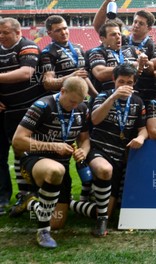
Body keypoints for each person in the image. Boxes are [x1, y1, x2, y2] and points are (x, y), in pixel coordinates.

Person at [11, 77, 90, 248]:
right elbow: (17, 141)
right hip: (35, 160)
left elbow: (85, 140)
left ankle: (29, 202)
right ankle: (43, 232)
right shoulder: (42, 106)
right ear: (62, 91)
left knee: (57, 223)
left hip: (62, 165)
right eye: (71, 101)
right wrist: (53, 146)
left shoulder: (82, 109)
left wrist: (83, 150)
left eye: (79, 102)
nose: (74, 106)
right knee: (56, 171)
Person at [88, 64, 148, 237]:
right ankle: (101, 219)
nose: (125, 85)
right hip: (100, 150)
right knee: (105, 170)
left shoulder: (137, 102)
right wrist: (113, 97)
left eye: (129, 82)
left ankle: (74, 205)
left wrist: (141, 138)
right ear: (114, 80)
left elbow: (142, 129)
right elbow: (95, 119)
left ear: (134, 83)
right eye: (121, 81)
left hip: (120, 156)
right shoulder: (103, 95)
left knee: (107, 211)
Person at [0, 17, 46, 216]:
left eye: (5, 32)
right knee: (0, 157)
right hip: (4, 113)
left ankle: (31, 194)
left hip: (28, 113)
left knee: (26, 154)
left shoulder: (28, 46)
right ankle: (3, 198)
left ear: (18, 33)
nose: (1, 36)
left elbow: (26, 73)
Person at [40, 15, 98, 97]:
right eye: (58, 30)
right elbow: (48, 83)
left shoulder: (78, 48)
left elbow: (83, 76)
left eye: (65, 28)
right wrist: (72, 76)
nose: (63, 33)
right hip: (62, 100)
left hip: (81, 99)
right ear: (49, 33)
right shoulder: (48, 53)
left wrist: (96, 96)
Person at [88, 21, 149, 93]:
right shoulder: (97, 52)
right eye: (113, 35)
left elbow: (150, 65)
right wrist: (130, 66)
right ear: (102, 39)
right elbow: (100, 73)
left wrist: (143, 60)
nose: (118, 37)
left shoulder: (130, 49)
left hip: (133, 96)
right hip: (108, 96)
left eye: (119, 34)